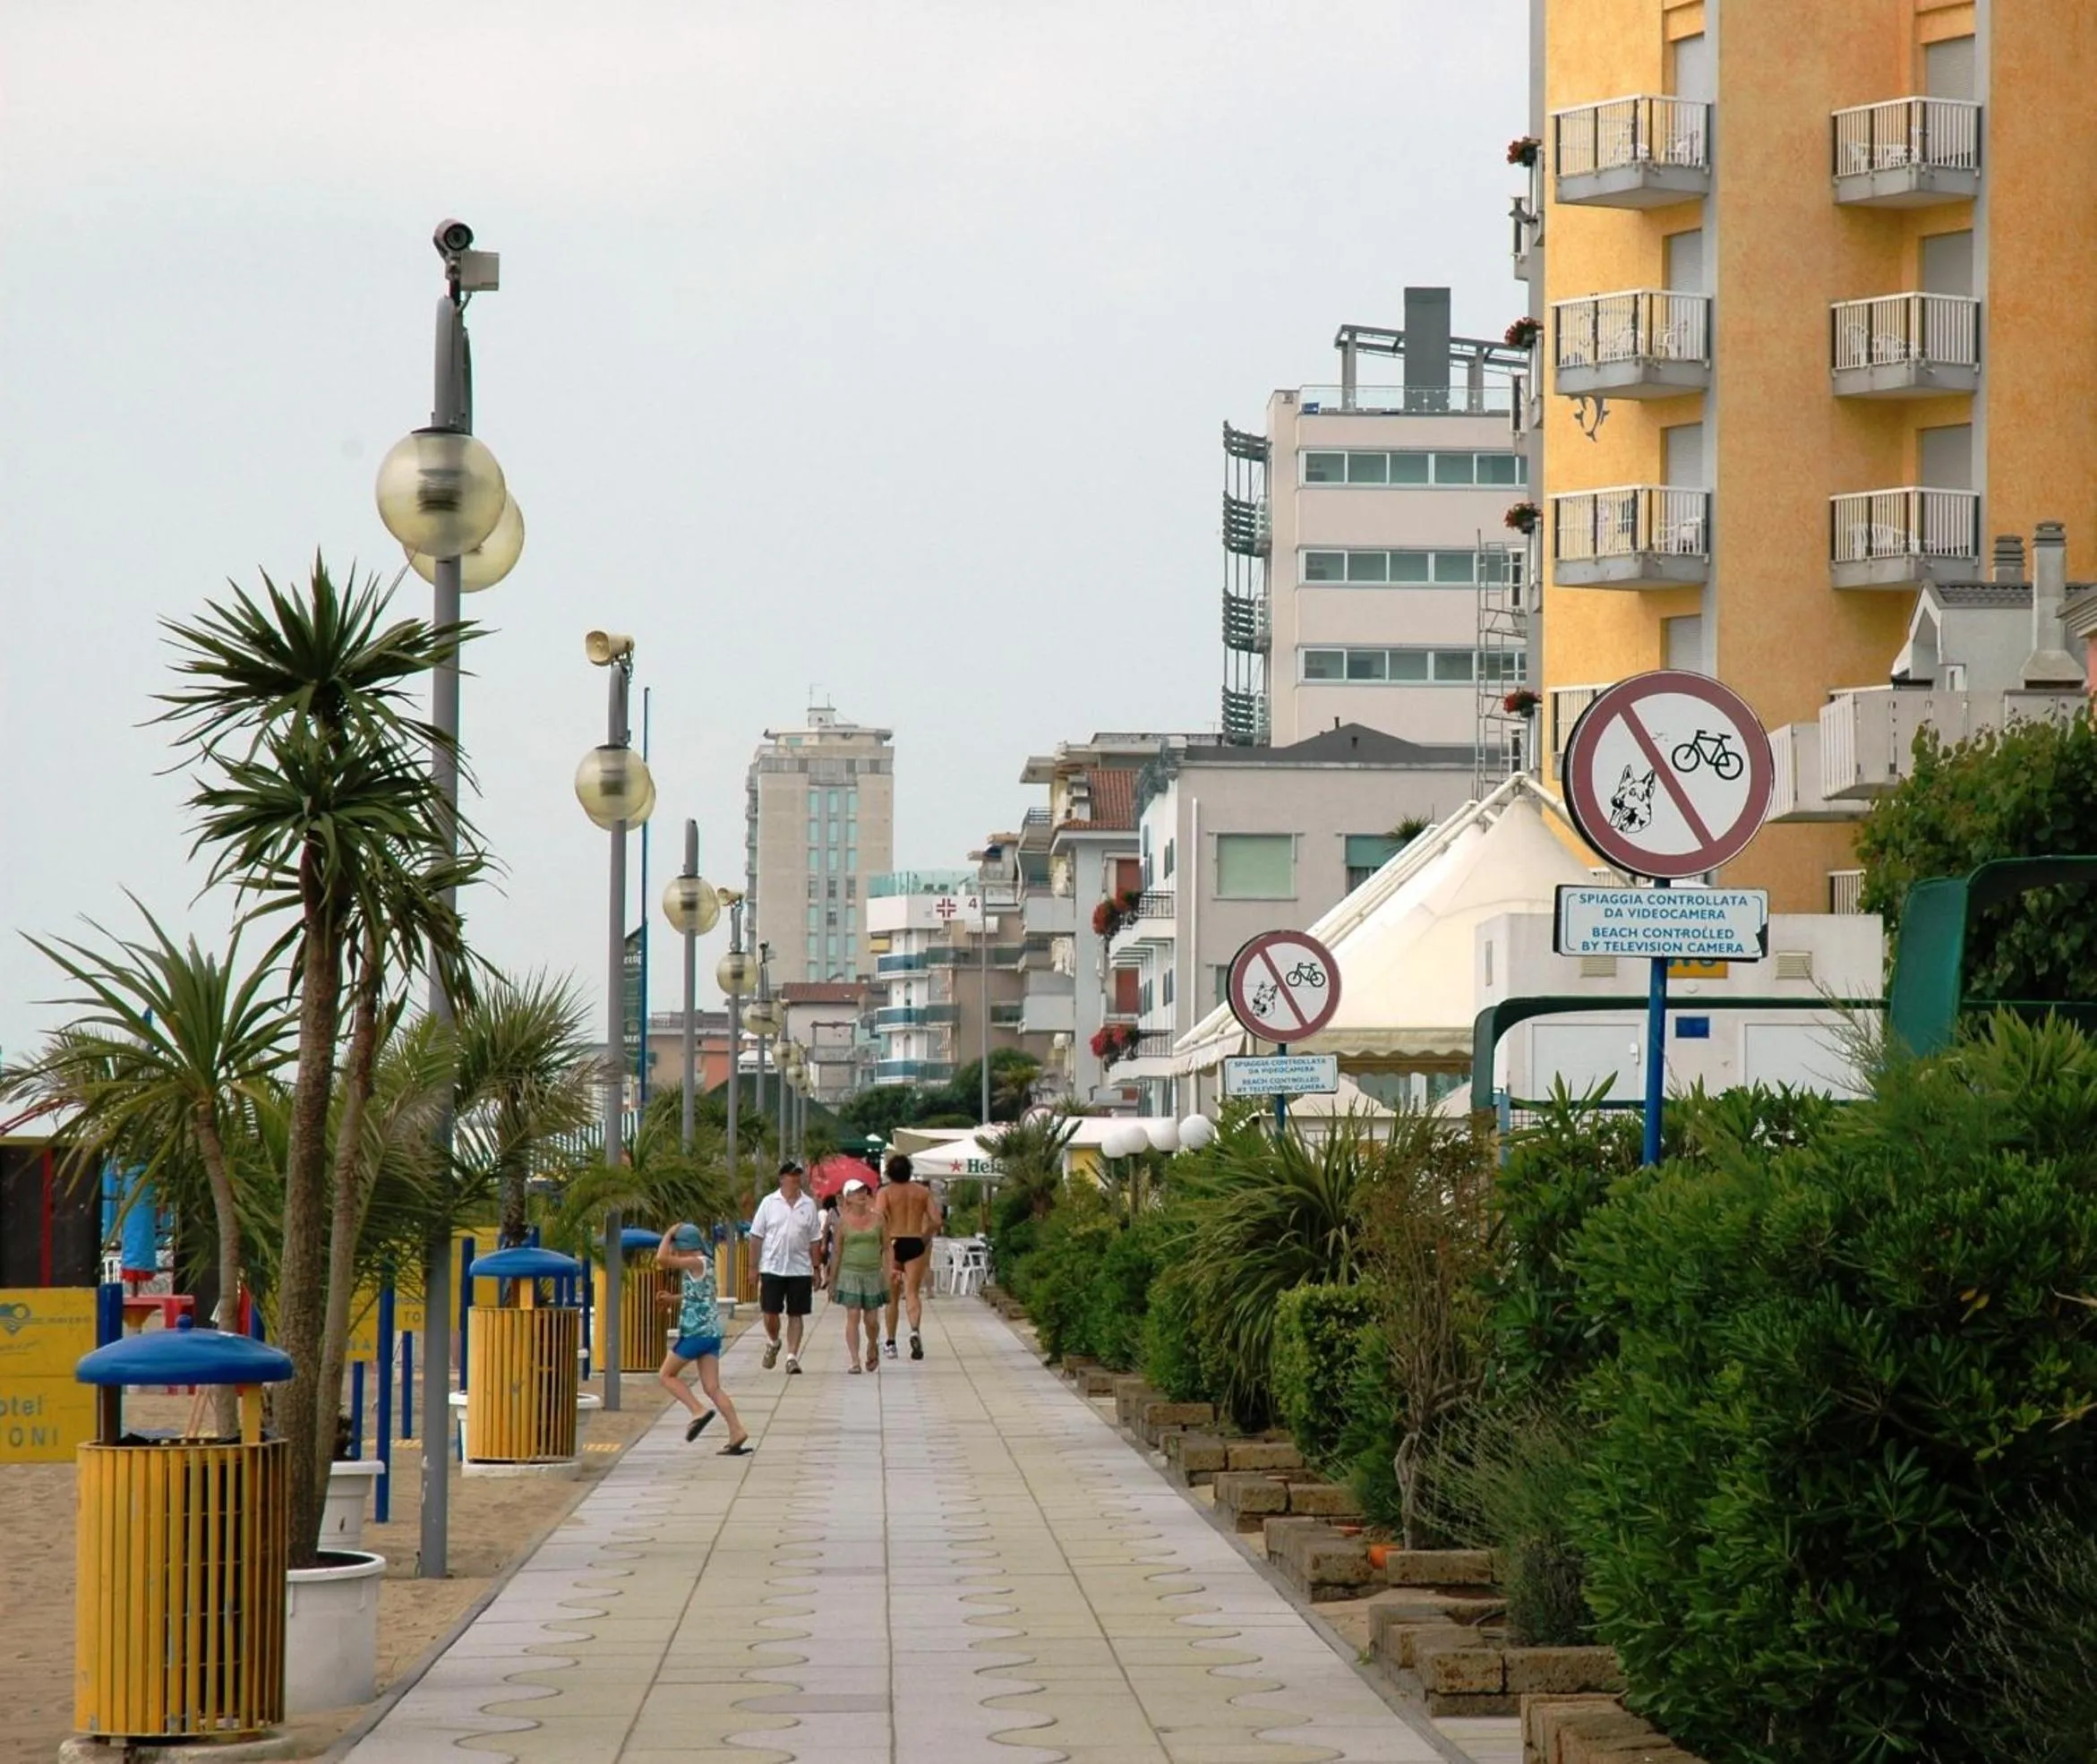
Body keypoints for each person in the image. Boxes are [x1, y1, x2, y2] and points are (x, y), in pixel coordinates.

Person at [654, 1223, 750, 1454]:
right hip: (711, 1333)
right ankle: (737, 1430)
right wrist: (673, 1299)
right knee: (712, 1387)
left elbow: (661, 1259)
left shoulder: (695, 1261)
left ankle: (697, 1411)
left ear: (686, 1246)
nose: (675, 1252)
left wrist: (668, 1233)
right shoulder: (705, 1264)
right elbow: (698, 1296)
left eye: (678, 1247)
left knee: (666, 1375)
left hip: (696, 1333)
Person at [749, 1160, 821, 1374]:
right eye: (791, 1175)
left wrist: (816, 1269)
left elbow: (815, 1239)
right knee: (770, 1312)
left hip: (799, 1267)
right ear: (781, 1179)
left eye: (798, 1175)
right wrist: (753, 1267)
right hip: (772, 1266)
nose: (795, 1179)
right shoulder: (769, 1203)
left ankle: (792, 1357)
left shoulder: (808, 1205)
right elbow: (756, 1236)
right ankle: (773, 1341)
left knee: (796, 1313)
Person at [876, 1152, 942, 1361]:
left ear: (889, 1172)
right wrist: (924, 1238)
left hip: (894, 1242)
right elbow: (936, 1220)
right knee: (912, 1293)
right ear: (909, 1171)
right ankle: (914, 1330)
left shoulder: (885, 1192)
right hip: (914, 1240)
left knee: (892, 1297)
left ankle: (891, 1342)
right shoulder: (922, 1192)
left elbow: (878, 1217)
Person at [826, 1177, 890, 1374]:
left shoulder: (878, 1218)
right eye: (856, 1192)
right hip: (850, 1273)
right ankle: (854, 1360)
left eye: (863, 1191)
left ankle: (872, 1345)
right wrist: (832, 1280)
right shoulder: (842, 1222)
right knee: (852, 1315)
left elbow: (887, 1247)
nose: (862, 1195)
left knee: (871, 1320)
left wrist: (889, 1271)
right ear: (848, 1198)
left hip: (872, 1274)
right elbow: (837, 1252)